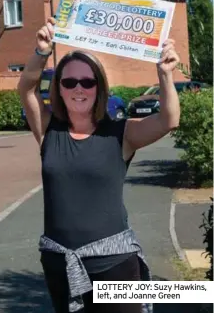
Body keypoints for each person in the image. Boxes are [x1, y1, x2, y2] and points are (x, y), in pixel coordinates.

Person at [18, 17, 180, 313]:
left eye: (87, 81)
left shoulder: (122, 133)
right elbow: (26, 90)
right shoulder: (47, 130)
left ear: (99, 86)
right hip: (59, 261)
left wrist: (165, 75)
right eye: (69, 82)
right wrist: (41, 51)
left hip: (114, 262)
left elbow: (169, 120)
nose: (78, 89)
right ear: (59, 88)